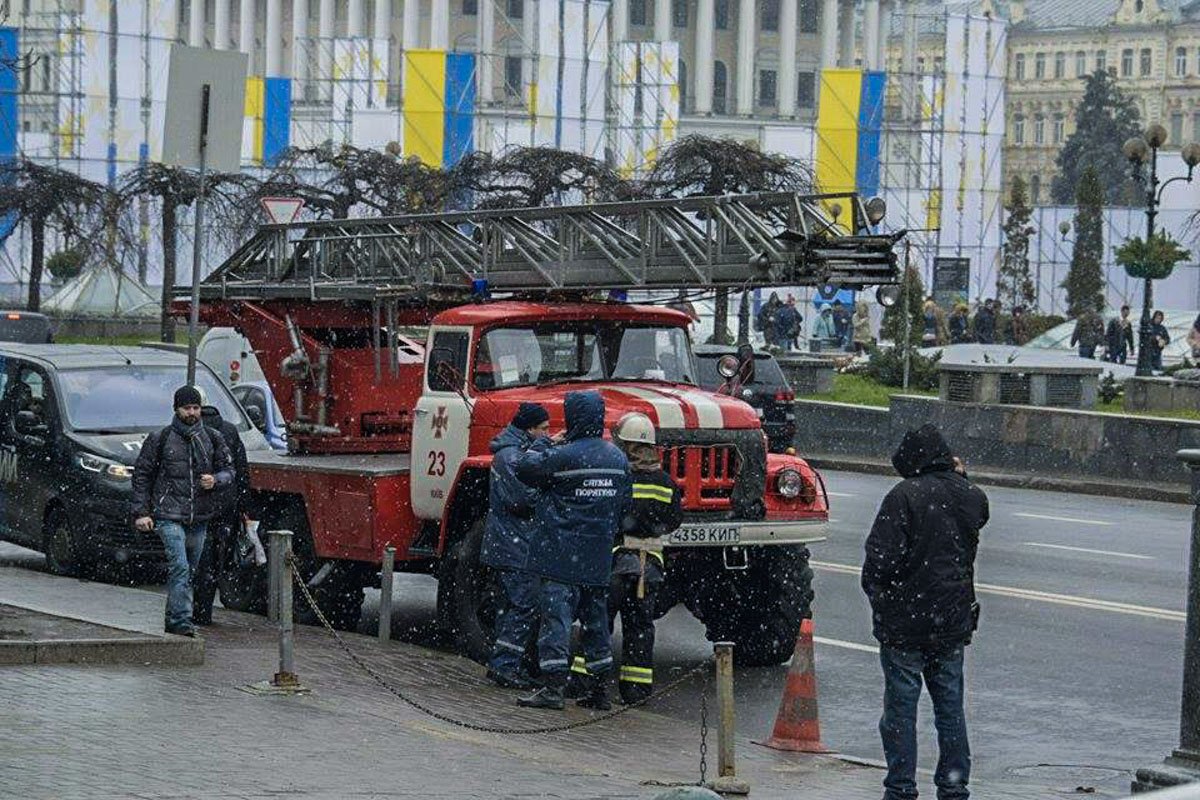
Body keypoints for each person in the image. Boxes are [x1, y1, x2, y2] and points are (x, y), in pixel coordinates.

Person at [862, 424, 989, 800]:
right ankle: (954, 786)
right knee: (950, 709)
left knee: (900, 711)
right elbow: (977, 514)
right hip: (951, 623)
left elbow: (879, 561)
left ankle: (901, 788)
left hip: (905, 625)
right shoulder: (969, 495)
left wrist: (883, 602)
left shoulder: (903, 496)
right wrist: (960, 477)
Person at [514, 391, 630, 711]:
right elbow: (624, 506)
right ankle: (599, 690)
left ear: (572, 417)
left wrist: (543, 442)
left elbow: (524, 468)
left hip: (559, 556)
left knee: (556, 622)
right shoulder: (617, 458)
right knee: (596, 623)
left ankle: (553, 689)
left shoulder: (563, 456)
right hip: (597, 557)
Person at [131, 386, 234, 637]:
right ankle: (181, 620)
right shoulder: (161, 438)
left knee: (189, 570)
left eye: (196, 408)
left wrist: (216, 479)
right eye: (187, 408)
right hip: (168, 514)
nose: (192, 413)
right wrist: (142, 512)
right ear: (176, 409)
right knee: (181, 567)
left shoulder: (211, 438)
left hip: (198, 515)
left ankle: (175, 618)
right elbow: (142, 476)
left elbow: (230, 470)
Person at [608, 412, 681, 705]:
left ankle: (587, 683)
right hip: (649, 567)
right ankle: (636, 691)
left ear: (625, 445)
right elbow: (674, 520)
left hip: (617, 563)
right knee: (640, 628)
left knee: (599, 622)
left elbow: (608, 514)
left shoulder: (619, 478)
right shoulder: (666, 483)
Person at [480, 402, 550, 689]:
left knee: (511, 606)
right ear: (529, 429)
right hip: (514, 546)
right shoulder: (511, 458)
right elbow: (523, 500)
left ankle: (506, 663)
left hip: (509, 544)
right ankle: (505, 666)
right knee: (524, 605)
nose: (548, 433)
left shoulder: (512, 453)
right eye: (544, 428)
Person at [192, 402, 251, 626]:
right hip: (225, 505)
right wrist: (243, 504)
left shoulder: (191, 432)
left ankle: (194, 609)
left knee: (195, 557)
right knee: (217, 557)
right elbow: (241, 469)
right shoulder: (229, 430)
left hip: (197, 505)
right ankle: (204, 609)